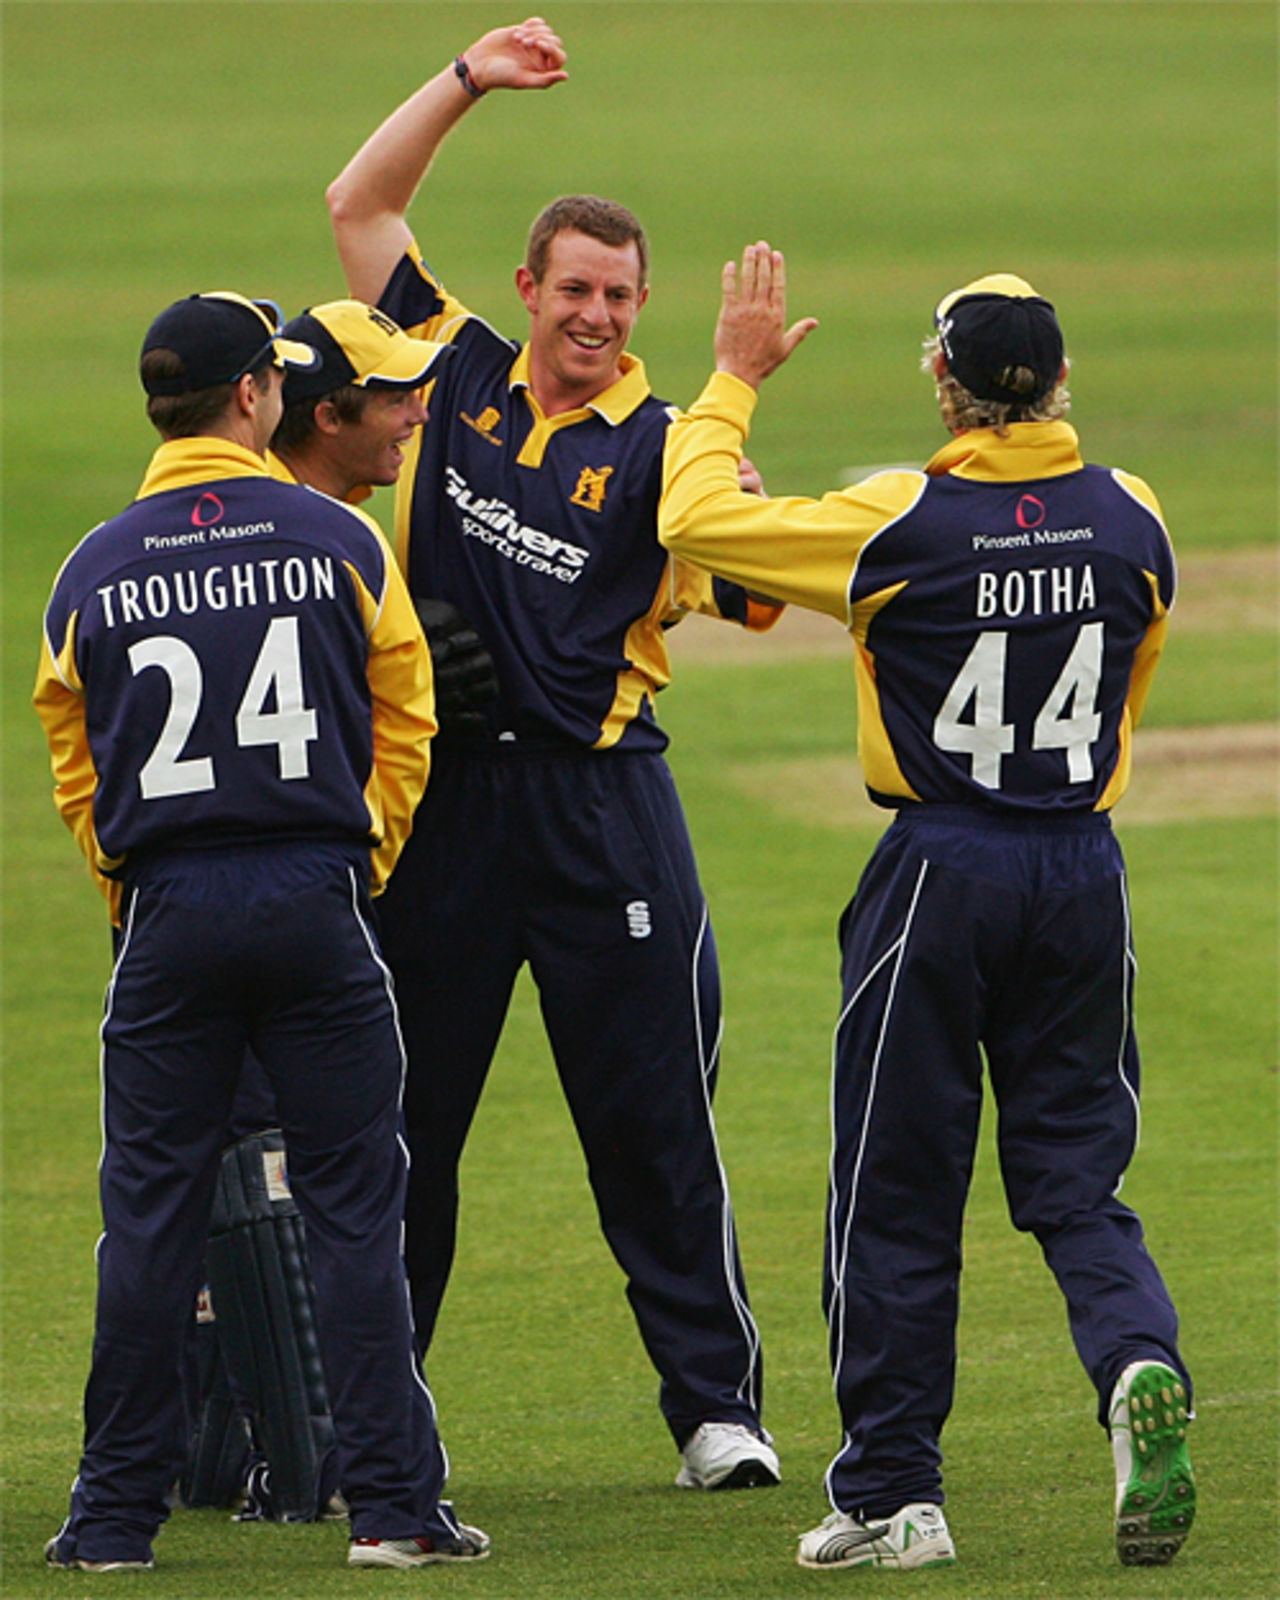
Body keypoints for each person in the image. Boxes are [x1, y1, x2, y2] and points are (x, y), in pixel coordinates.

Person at [658, 248, 1195, 1569]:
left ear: (947, 393)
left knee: (895, 1188)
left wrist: (729, 381)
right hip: (1083, 866)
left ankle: (894, 1491)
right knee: (1079, 1180)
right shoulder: (1136, 516)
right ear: (1063, 381)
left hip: (942, 871)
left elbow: (693, 525)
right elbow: (1130, 693)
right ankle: (1135, 1365)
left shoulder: (900, 518)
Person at [324, 15, 782, 1489]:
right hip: (446, 804)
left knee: (653, 1118)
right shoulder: (448, 369)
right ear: (524, 289)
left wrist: (738, 463)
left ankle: (717, 1413)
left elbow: (764, 593)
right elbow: (360, 205)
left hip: (604, 806)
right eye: (573, 288)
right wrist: (465, 81)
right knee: (403, 1122)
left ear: (642, 305)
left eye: (618, 296)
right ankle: (373, 1415)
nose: (593, 314)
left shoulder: (669, 447)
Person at [34, 290, 488, 1571]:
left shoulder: (92, 565)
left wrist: (132, 890)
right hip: (314, 898)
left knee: (151, 1222)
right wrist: (361, 858)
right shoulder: (335, 539)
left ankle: (111, 1521)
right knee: (354, 1209)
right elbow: (407, 722)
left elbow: (77, 759)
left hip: (168, 912)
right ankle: (393, 1511)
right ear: (252, 397)